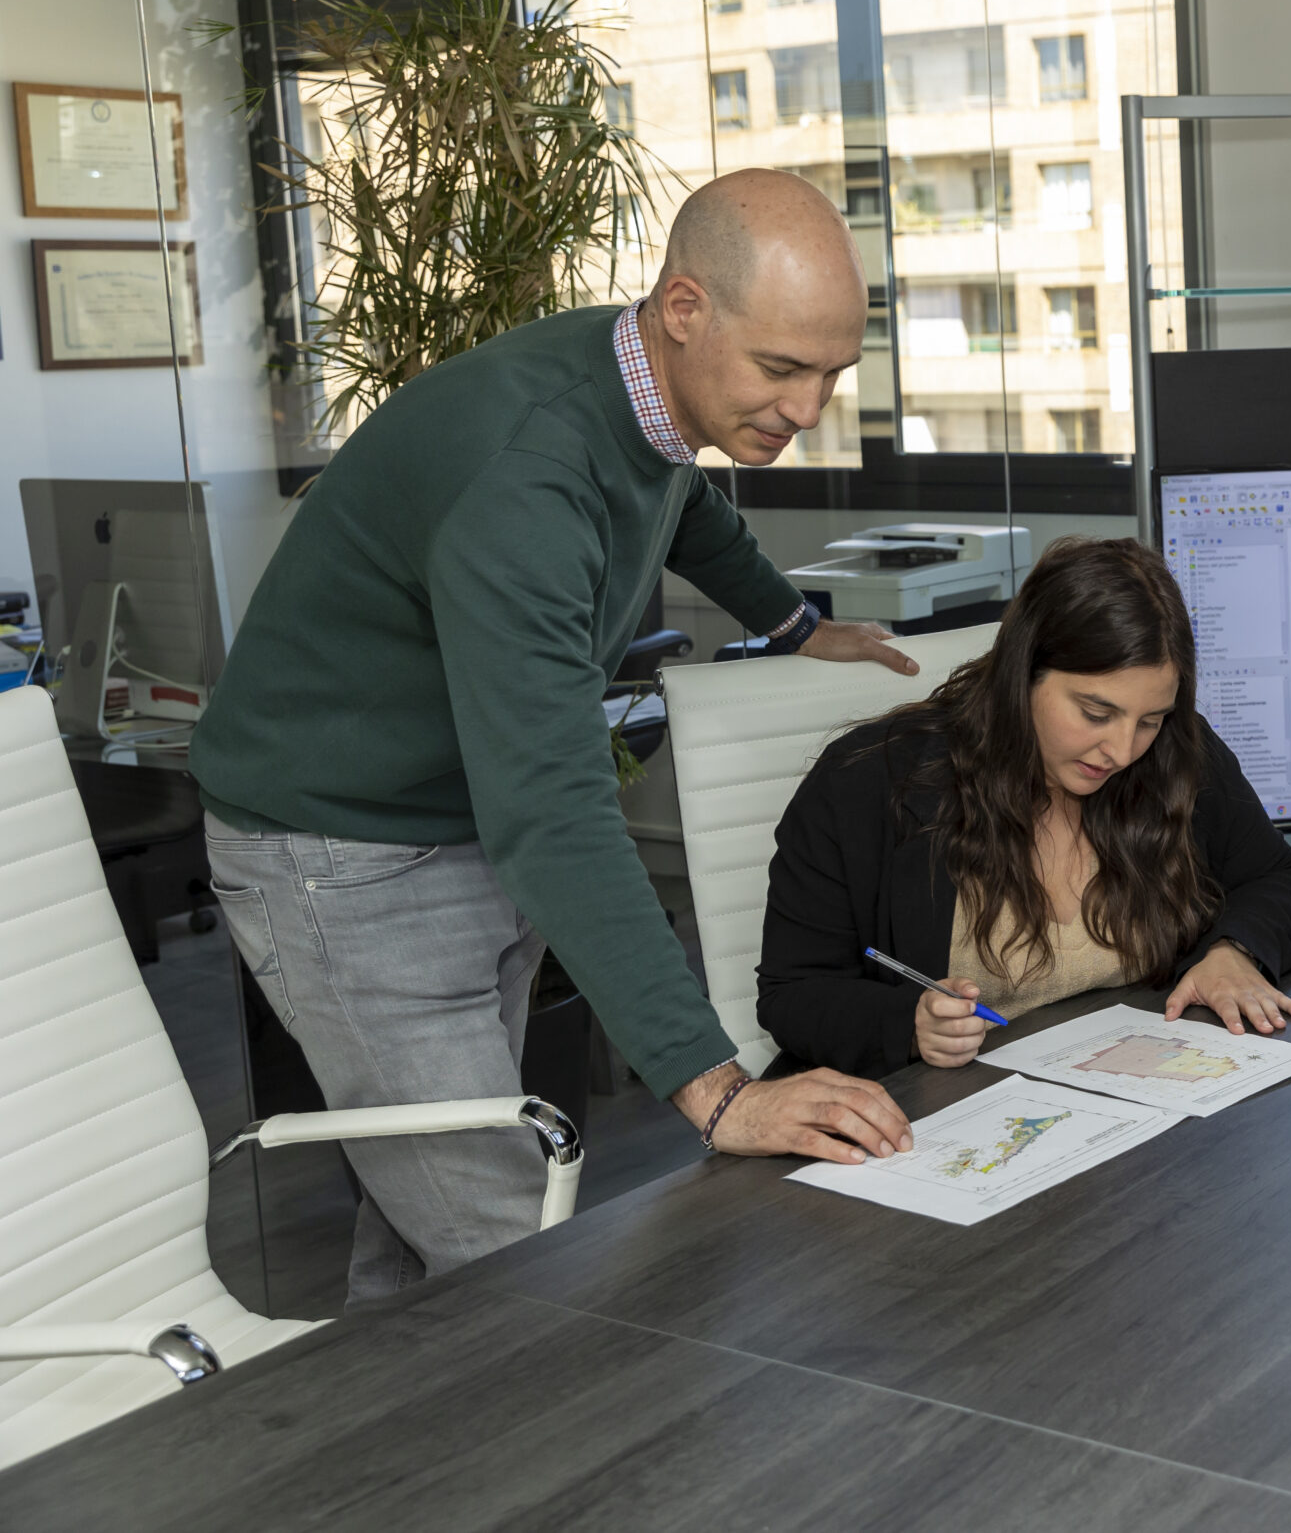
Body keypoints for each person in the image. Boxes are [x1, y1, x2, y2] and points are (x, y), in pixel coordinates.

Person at [194, 170, 926, 1304]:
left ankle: (406, 1417)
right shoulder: (526, 477)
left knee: (426, 1233)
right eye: (782, 368)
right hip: (339, 853)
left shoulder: (637, 385)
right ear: (683, 308)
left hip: (456, 820)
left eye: (832, 372)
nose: (808, 407)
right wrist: (719, 1092)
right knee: (518, 1258)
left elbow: (682, 503)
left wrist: (794, 625)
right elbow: (553, 807)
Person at [758, 537, 1291, 1076]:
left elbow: (1275, 876)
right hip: (943, 1108)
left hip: (1126, 1085)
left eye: (1149, 719)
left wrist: (1234, 950)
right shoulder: (867, 781)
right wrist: (909, 1023)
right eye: (1096, 714)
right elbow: (794, 994)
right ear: (1021, 673)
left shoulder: (1175, 752)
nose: (1123, 751)